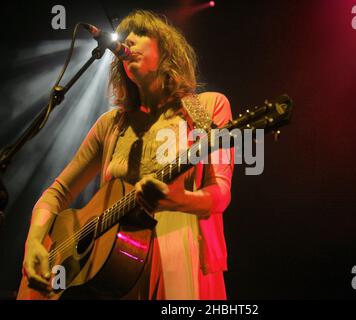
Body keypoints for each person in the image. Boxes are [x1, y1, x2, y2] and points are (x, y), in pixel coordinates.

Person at [20, 10, 233, 300]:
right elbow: (57, 192)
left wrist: (179, 200)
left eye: (141, 33)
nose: (128, 41)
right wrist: (34, 241)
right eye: (125, 36)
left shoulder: (207, 108)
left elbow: (220, 194)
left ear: (167, 49)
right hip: (113, 266)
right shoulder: (111, 124)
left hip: (183, 254)